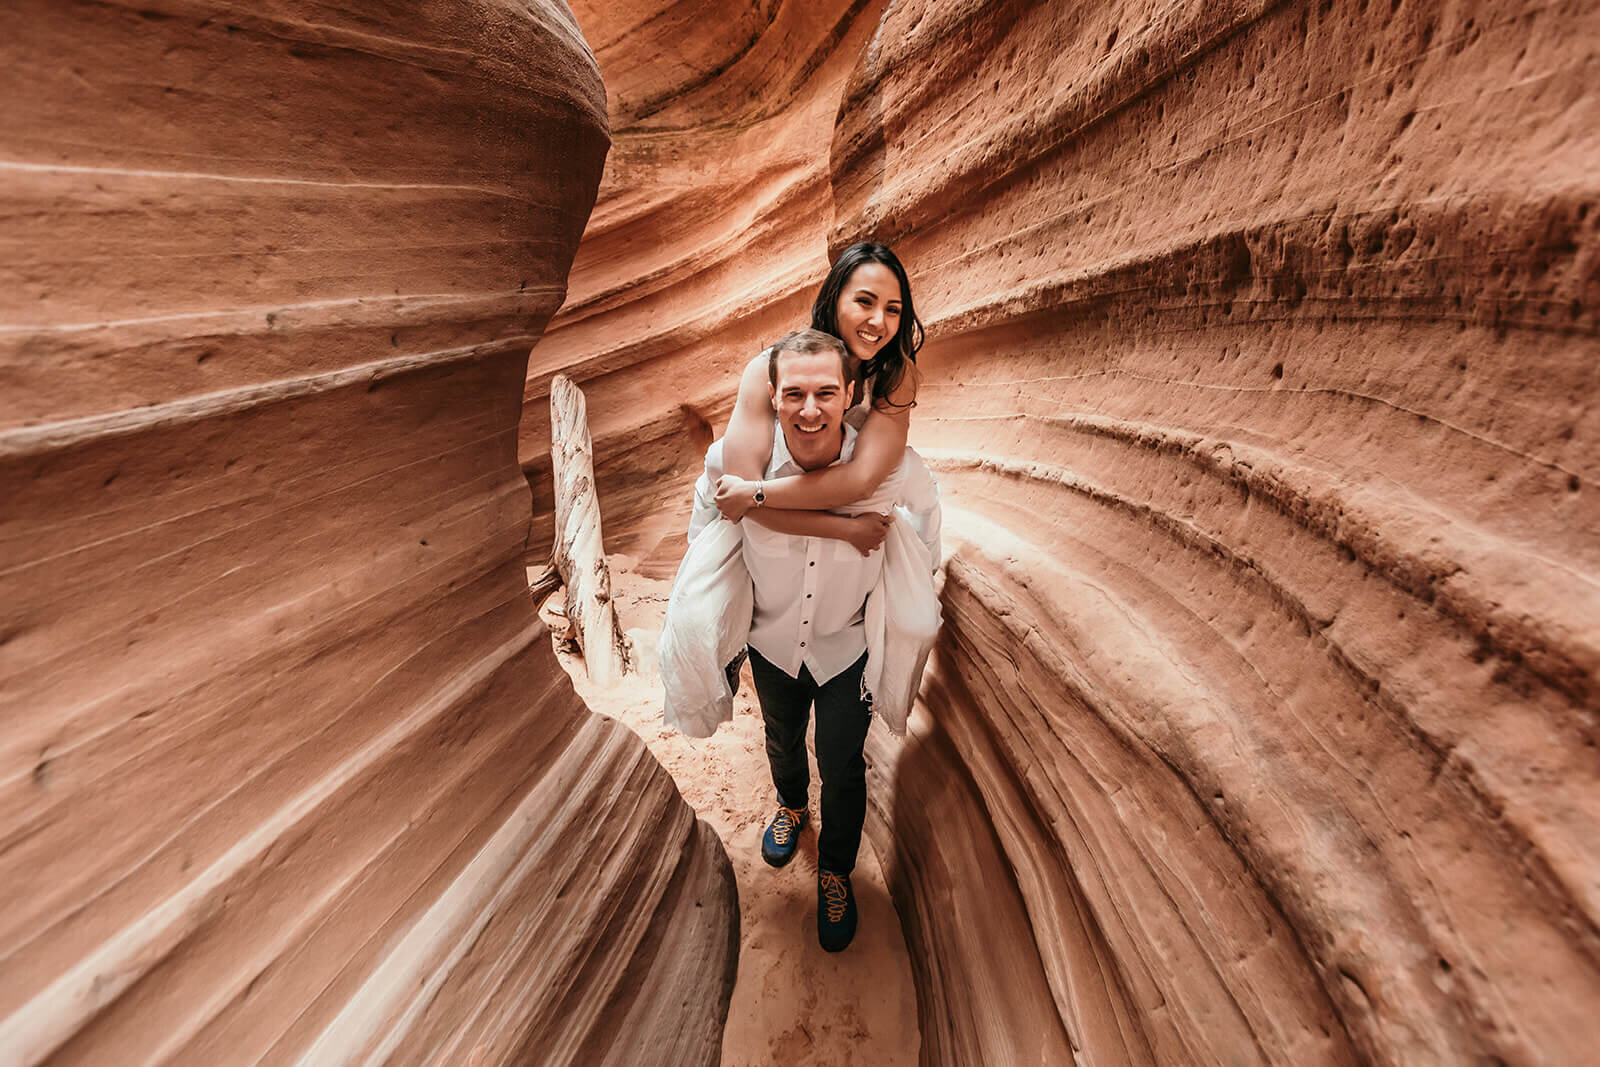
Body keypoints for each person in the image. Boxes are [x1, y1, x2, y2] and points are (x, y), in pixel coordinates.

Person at [683, 327, 940, 952]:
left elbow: (926, 523)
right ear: (772, 397)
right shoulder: (736, 465)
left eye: (826, 392)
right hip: (770, 646)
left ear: (849, 391)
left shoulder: (887, 470)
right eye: (793, 393)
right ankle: (793, 808)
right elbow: (706, 530)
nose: (809, 409)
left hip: (844, 649)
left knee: (845, 768)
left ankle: (834, 871)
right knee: (781, 739)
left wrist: (908, 580)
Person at [712, 242, 923, 527]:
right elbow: (737, 497)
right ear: (835, 298)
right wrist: (845, 531)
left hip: (814, 502)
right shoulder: (766, 369)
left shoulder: (894, 375)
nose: (878, 321)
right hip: (748, 515)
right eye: (865, 302)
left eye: (893, 310)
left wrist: (756, 493)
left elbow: (861, 481)